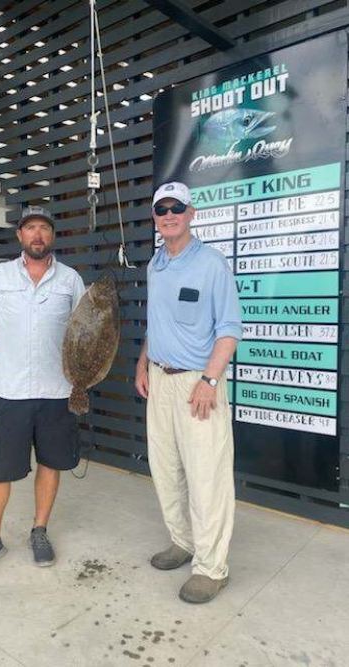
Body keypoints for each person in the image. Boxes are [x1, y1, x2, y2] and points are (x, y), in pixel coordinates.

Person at [135, 182, 242, 603]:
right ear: (155, 218)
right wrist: (143, 361)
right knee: (166, 468)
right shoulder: (154, 265)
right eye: (162, 209)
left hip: (198, 382)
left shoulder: (212, 264)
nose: (169, 214)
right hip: (159, 380)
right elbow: (155, 323)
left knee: (206, 476)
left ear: (191, 213)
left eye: (176, 207)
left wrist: (210, 381)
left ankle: (212, 567)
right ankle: (182, 541)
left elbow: (229, 329)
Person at [0, 205, 85, 577]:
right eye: (30, 228)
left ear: (52, 236)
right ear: (20, 235)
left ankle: (39, 530)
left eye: (44, 228)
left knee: (50, 463)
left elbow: (87, 333)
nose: (37, 235)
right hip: (11, 391)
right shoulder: (0, 276)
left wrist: (84, 378)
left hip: (57, 391)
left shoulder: (70, 280)